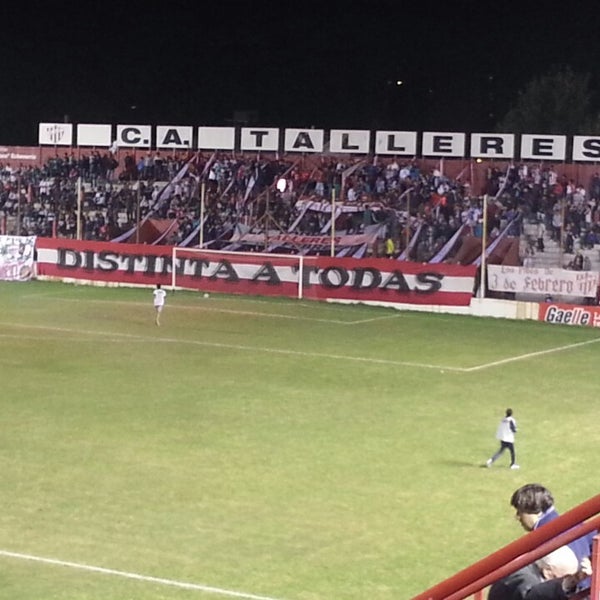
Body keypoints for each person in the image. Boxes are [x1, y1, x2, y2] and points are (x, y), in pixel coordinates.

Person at [510, 484, 593, 566]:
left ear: (533, 510)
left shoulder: (540, 540)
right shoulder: (576, 523)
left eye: (520, 512)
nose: (518, 517)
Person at [487, 545, 591, 600]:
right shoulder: (521, 578)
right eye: (564, 576)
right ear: (548, 572)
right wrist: (570, 581)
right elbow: (532, 596)